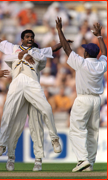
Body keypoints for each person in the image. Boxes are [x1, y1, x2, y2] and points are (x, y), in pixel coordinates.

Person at [0, 29, 66, 171]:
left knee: (40, 119)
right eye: (27, 37)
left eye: (32, 37)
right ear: (22, 38)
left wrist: (63, 41)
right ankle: (6, 150)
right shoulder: (14, 49)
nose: (30, 38)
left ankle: (47, 149)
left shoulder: (38, 52)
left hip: (32, 84)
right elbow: (0, 42)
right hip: (17, 83)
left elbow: (53, 49)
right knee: (10, 116)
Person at [55, 17, 107, 172]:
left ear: (85, 53)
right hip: (96, 101)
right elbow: (104, 52)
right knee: (92, 132)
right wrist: (99, 36)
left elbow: (66, 48)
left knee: (77, 129)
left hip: (83, 99)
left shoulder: (81, 63)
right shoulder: (101, 64)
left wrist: (59, 30)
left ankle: (82, 160)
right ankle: (89, 162)